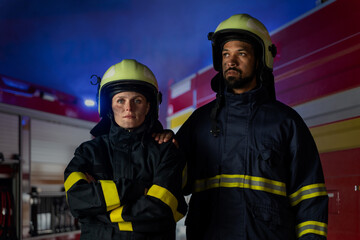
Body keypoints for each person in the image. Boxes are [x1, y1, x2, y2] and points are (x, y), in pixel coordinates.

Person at [156, 14, 328, 239]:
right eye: (226, 54)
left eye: (241, 53)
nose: (231, 61)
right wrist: (165, 148)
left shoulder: (286, 123)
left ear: (260, 59)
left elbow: (310, 197)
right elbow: (175, 182)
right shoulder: (200, 122)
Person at [64, 59, 187, 240]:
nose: (128, 108)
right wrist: (137, 189)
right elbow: (77, 200)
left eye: (137, 100)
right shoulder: (88, 152)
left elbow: (163, 210)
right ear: (109, 106)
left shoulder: (166, 150)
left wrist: (100, 214)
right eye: (120, 100)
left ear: (148, 107)